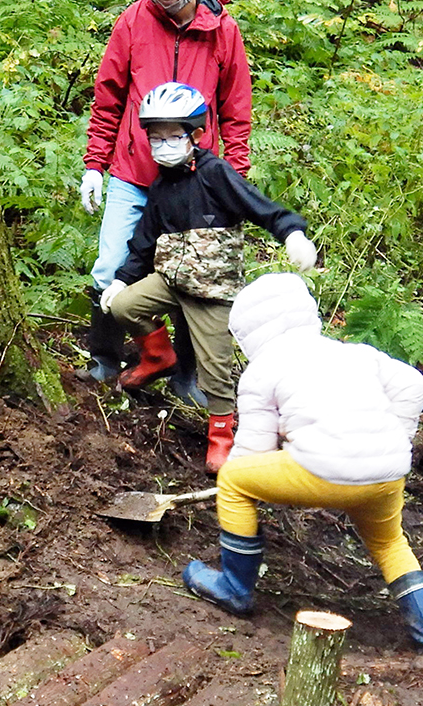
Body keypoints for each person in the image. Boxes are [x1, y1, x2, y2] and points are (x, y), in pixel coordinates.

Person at [179, 273, 423, 654]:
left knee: (235, 481)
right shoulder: (354, 352)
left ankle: (234, 589)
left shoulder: (262, 370)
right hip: (387, 473)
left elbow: (252, 451)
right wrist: (398, 440)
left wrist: (239, 489)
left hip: (325, 471)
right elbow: (413, 385)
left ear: (246, 332)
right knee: (390, 543)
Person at [103, 83, 317, 471]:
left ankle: (222, 437)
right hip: (169, 278)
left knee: (215, 372)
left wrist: (291, 231)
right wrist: (122, 279)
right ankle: (157, 355)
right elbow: (144, 239)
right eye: (156, 137)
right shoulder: (160, 185)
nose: (163, 145)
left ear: (196, 135)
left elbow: (259, 206)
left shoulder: (216, 173)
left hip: (213, 291)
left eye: (173, 136)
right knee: (123, 307)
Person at [80, 0, 254, 397]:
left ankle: (186, 375)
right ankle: (105, 361)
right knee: (111, 264)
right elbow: (109, 98)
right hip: (134, 172)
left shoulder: (222, 32)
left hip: (193, 181)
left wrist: (232, 177)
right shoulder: (133, 22)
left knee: (193, 276)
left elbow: (236, 111)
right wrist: (95, 164)